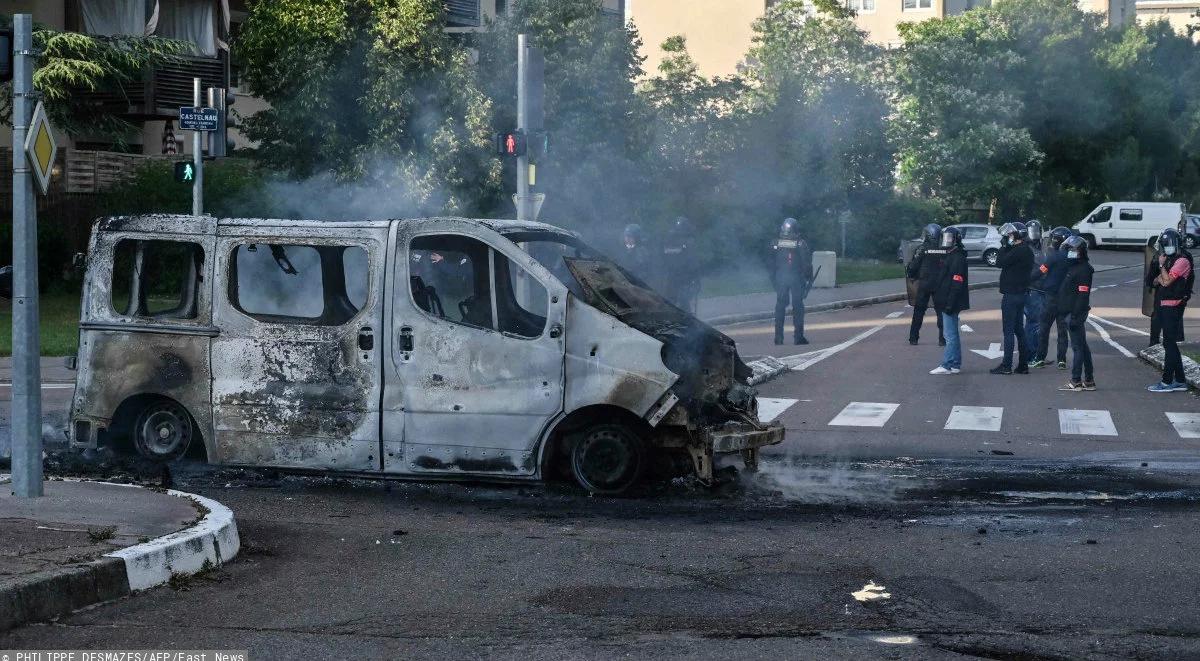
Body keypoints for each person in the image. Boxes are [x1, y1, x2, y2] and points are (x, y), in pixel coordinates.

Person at [1147, 229, 1193, 392]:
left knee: (1169, 343)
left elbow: (1165, 282)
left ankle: (1167, 382)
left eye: (1169, 245)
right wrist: (1162, 274)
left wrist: (1161, 266)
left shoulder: (1182, 261)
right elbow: (1155, 281)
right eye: (1165, 245)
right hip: (1166, 304)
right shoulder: (1170, 260)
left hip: (1173, 305)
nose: (1167, 248)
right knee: (1169, 343)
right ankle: (1180, 380)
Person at [990, 222, 1034, 375]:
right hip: (1022, 294)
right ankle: (1023, 364)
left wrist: (1003, 246)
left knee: (1008, 331)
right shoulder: (1026, 250)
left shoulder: (1018, 251)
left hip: (1011, 295)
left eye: (1010, 235)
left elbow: (999, 262)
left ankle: (1006, 365)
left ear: (1017, 236)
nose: (1008, 237)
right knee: (1019, 330)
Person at [1030, 226, 1072, 369]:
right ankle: (1062, 360)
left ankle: (1040, 358)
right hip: (1065, 299)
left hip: (1051, 297)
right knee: (1062, 330)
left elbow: (1041, 271)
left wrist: (1027, 280)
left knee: (1044, 328)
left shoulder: (1053, 256)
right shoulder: (1071, 257)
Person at [1057, 236, 1096, 391]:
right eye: (1069, 250)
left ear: (1080, 252)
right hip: (1070, 312)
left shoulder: (1083, 270)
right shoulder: (1074, 266)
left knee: (1077, 348)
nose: (1070, 253)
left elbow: (1082, 295)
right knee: (1083, 347)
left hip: (1074, 313)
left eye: (1073, 250)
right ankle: (1089, 380)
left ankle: (1076, 381)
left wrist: (1074, 316)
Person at [930, 226, 969, 375]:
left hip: (950, 301)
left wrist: (949, 303)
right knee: (952, 334)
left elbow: (957, 282)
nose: (946, 240)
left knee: (949, 335)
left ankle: (946, 365)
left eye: (949, 238)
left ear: (956, 240)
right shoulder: (951, 254)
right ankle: (955, 364)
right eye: (945, 237)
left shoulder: (957, 257)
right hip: (948, 300)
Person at [771, 217, 814, 345]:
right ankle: (798, 337)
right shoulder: (800, 243)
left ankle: (778, 337)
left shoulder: (776, 243)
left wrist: (773, 278)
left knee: (780, 306)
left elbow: (770, 261)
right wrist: (808, 277)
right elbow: (806, 263)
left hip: (780, 277)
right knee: (798, 307)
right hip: (796, 278)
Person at [906, 223, 947, 346]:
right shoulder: (944, 249)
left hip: (924, 284)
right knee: (941, 312)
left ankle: (913, 338)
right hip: (939, 284)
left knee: (919, 311)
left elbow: (914, 266)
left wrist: (910, 272)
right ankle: (942, 339)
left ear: (929, 235)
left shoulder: (922, 248)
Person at [661, 216, 700, 313]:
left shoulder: (688, 242)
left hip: (685, 277)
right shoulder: (673, 241)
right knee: (672, 299)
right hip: (675, 276)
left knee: (683, 299)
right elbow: (666, 257)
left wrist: (694, 278)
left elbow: (692, 262)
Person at [1023, 220, 1044, 355]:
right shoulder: (1027, 249)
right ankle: (1031, 354)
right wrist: (1044, 270)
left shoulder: (1039, 248)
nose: (1034, 234)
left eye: (1037, 231)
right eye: (1032, 231)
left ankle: (1036, 352)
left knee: (1037, 323)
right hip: (1033, 290)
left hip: (1039, 289)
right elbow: (1032, 271)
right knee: (1033, 323)